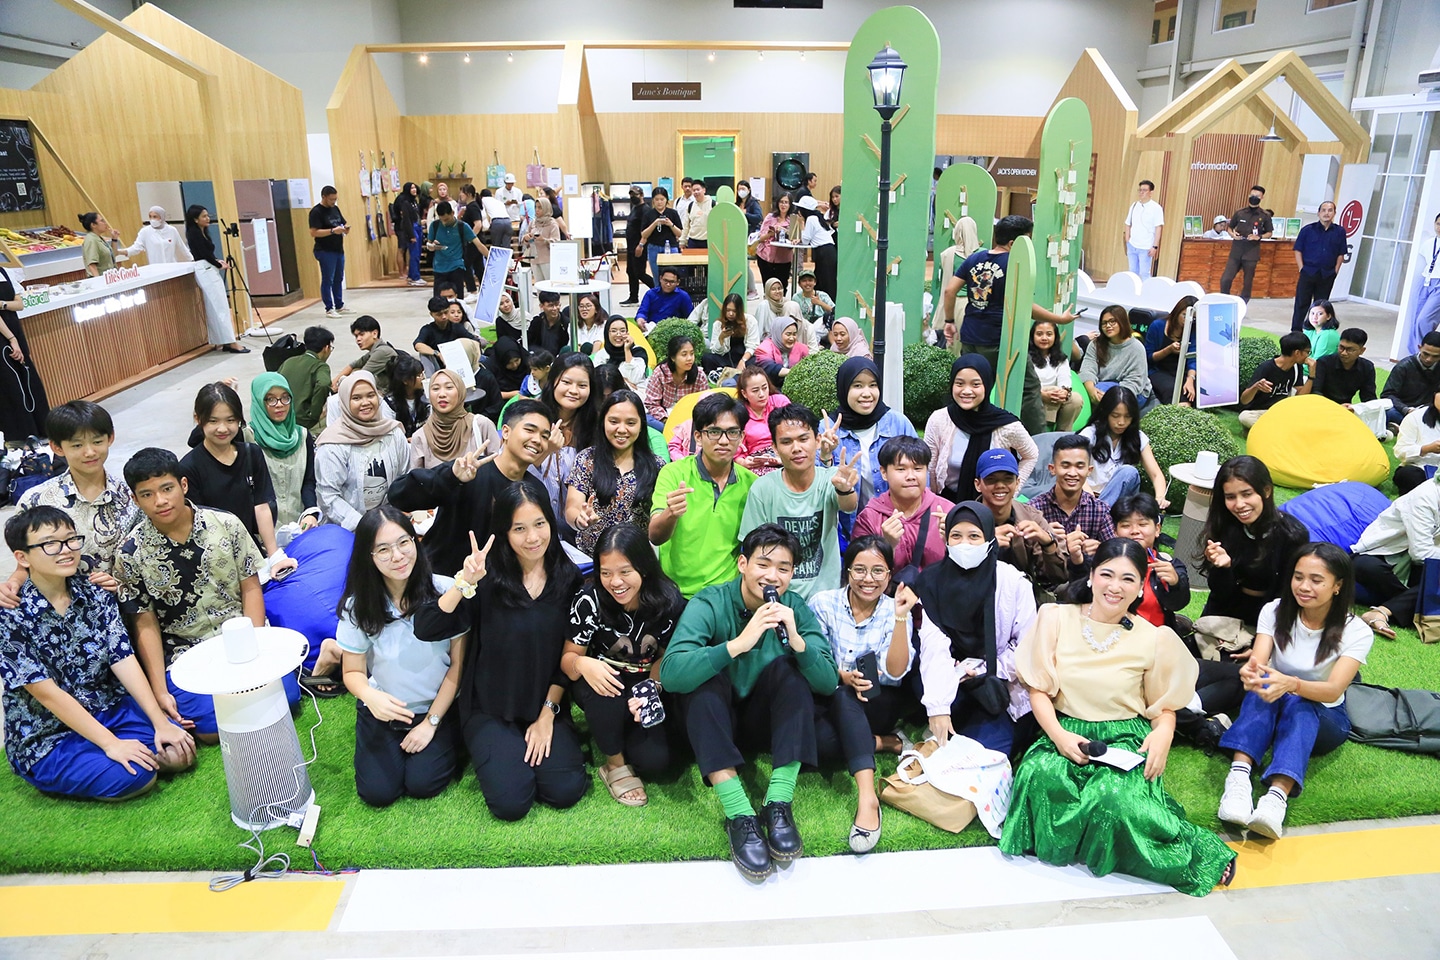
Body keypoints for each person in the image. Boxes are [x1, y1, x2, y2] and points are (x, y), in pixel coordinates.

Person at [999, 537, 1236, 896]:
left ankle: (1193, 848)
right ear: (1092, 577)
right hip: (1065, 728)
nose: (1115, 586)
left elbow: (1163, 706)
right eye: (1107, 574)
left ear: (1141, 586)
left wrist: (1164, 734)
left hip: (1125, 736)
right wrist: (1060, 738)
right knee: (1041, 776)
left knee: (1112, 799)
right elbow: (1038, 691)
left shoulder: (1155, 638)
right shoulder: (1055, 617)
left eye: (1128, 579)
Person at [660, 524, 839, 879]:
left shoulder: (793, 607)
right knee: (702, 679)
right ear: (742, 564)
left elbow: (828, 682)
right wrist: (737, 644)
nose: (772, 575)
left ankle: (778, 803)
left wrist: (798, 642)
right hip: (714, 720)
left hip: (760, 722)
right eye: (763, 564)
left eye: (784, 568)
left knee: (791, 671)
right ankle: (740, 813)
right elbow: (671, 674)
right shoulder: (710, 602)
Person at [1, 505, 196, 800]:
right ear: (22, 557)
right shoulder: (10, 615)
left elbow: (123, 658)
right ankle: (101, 756)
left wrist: (158, 722)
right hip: (49, 734)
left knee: (180, 752)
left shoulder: (95, 593)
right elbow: (46, 694)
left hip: (108, 708)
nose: (65, 550)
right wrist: (111, 744)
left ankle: (127, 749)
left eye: (70, 540)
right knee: (137, 776)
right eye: (50, 544)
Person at [424, 483, 588, 822]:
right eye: (519, 528)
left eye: (540, 524)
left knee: (565, 789)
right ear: (504, 531)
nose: (532, 538)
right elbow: (429, 628)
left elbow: (567, 655)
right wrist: (464, 582)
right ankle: (491, 747)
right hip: (489, 708)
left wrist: (547, 716)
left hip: (544, 705)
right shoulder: (485, 579)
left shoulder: (568, 577)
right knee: (512, 803)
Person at [117, 447, 301, 741]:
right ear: (134, 499)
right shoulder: (130, 553)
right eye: (147, 494)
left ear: (183, 485)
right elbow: (145, 623)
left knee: (288, 698)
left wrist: (255, 653)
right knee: (208, 725)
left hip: (240, 641)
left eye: (167, 488)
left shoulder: (225, 524)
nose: (160, 501)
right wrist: (159, 691)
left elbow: (250, 587)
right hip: (184, 655)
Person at [1217, 544, 1373, 840]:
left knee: (1299, 702)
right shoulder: (1274, 610)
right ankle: (1238, 780)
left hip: (1325, 717)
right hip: (1275, 699)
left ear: (1337, 586)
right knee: (1262, 691)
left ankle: (1276, 797)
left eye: (1316, 580)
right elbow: (1258, 662)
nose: (1304, 586)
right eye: (1298, 577)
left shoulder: (1357, 631)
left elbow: (1333, 690)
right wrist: (1251, 674)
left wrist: (1292, 684)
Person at [338, 506, 464, 807]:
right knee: (378, 793)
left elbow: (459, 665)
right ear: (368, 557)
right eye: (383, 549)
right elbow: (352, 672)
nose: (397, 556)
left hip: (437, 708)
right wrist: (371, 697)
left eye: (403, 542)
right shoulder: (358, 606)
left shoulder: (446, 591)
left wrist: (431, 722)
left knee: (423, 783)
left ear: (416, 541)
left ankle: (450, 738)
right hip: (383, 708)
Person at [563, 524, 686, 806]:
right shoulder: (589, 598)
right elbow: (568, 660)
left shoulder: (668, 599)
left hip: (644, 680)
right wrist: (584, 664)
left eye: (624, 572)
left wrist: (652, 686)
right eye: (605, 573)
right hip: (600, 678)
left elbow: (666, 656)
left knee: (656, 764)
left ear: (643, 567)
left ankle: (626, 733)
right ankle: (614, 762)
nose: (615, 582)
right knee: (607, 692)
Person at [810, 536, 918, 852]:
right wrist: (842, 676)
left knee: (847, 697)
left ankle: (868, 798)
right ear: (847, 571)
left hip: (878, 700)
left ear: (889, 575)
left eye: (877, 571)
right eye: (859, 570)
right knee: (817, 745)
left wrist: (900, 617)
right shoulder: (823, 604)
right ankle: (886, 742)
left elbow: (897, 672)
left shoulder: (893, 609)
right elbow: (814, 659)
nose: (867, 579)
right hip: (831, 695)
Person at [914, 504, 1037, 757]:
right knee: (927, 691)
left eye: (974, 536)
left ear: (989, 539)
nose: (964, 545)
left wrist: (982, 670)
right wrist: (939, 706)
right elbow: (933, 643)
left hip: (1001, 685)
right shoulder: (933, 580)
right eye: (956, 536)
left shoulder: (1013, 583)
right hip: (955, 677)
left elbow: (1027, 648)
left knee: (981, 754)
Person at [389, 399, 553, 575]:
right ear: (505, 431)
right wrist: (451, 476)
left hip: (497, 588)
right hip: (446, 582)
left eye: (544, 436)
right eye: (530, 430)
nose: (537, 440)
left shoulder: (535, 489)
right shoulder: (468, 473)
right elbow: (399, 496)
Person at [938, 215, 1068, 435]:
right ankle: (1036, 440)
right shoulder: (1014, 264)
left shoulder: (975, 259)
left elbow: (950, 291)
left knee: (971, 386)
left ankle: (963, 432)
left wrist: (949, 321)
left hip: (970, 336)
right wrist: (1060, 319)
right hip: (999, 340)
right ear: (1013, 244)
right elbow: (1025, 304)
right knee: (1028, 388)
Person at [1, 402, 137, 611]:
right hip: (64, 611)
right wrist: (12, 585)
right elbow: (26, 563)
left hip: (125, 606)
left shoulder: (130, 496)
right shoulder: (36, 500)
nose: (90, 452)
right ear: (57, 448)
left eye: (97, 441)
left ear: (110, 438)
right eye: (76, 445)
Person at [740, 403, 860, 602]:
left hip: (824, 598)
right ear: (775, 448)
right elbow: (753, 547)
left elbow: (848, 505)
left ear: (817, 440)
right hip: (777, 597)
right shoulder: (762, 489)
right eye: (786, 442)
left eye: (803, 439)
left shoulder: (830, 479)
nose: (797, 448)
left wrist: (845, 488)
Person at [650, 393, 759, 598]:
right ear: (698, 436)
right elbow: (655, 536)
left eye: (732, 432)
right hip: (677, 592)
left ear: (742, 437)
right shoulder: (674, 473)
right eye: (714, 432)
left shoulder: (751, 484)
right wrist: (671, 514)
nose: (724, 441)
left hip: (726, 594)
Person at [179, 383, 291, 572]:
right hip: (214, 559)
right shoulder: (188, 467)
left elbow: (261, 506)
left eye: (230, 420)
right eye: (213, 421)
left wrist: (274, 555)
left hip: (252, 550)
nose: (223, 428)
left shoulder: (251, 454)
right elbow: (197, 524)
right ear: (198, 419)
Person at [1198, 455, 1310, 628]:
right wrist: (1223, 568)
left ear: (1266, 491)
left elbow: (1289, 596)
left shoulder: (1292, 535)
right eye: (1230, 497)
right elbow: (1219, 594)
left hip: (1268, 620)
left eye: (1247, 494)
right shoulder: (1225, 525)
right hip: (1223, 616)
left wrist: (1263, 639)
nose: (1239, 504)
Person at [925, 354, 1038, 502]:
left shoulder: (1006, 425)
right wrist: (931, 500)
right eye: (959, 384)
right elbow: (929, 466)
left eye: (975, 384)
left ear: (987, 385)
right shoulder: (939, 419)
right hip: (947, 504)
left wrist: (1012, 492)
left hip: (992, 506)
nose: (966, 391)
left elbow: (1031, 455)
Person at [567, 389, 664, 555]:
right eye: (613, 421)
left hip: (636, 561)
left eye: (631, 423)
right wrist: (580, 519)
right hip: (592, 560)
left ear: (641, 425)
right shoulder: (586, 459)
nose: (621, 429)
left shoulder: (657, 466)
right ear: (603, 422)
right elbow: (572, 507)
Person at [818, 357, 916, 517]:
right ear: (844, 388)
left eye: (873, 385)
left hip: (895, 524)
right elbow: (816, 489)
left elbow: (920, 477)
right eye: (857, 385)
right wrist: (825, 456)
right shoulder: (827, 429)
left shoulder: (897, 423)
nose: (867, 393)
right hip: (845, 530)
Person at [314, 372, 409, 531]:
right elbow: (328, 497)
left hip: (388, 523)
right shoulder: (332, 444)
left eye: (370, 395)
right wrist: (367, 527)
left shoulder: (393, 433)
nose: (365, 402)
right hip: (346, 529)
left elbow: (404, 477)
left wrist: (392, 519)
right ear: (344, 402)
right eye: (356, 398)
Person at [1352, 476, 1440, 640]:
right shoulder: (1425, 497)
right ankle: (1416, 603)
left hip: (1421, 566)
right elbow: (1421, 553)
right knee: (1365, 566)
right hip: (1383, 555)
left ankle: (1382, 612)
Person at [970, 448, 1067, 590]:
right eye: (991, 479)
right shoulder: (965, 518)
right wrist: (985, 545)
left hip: (1020, 593)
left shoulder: (1032, 517)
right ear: (978, 484)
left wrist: (1047, 542)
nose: (1000, 485)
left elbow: (1060, 576)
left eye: (1008, 479)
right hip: (975, 592)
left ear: (1017, 483)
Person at [1031, 436, 1118, 577]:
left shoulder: (1100, 510)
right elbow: (1026, 561)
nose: (1072, 473)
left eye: (1079, 466)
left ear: (1089, 470)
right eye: (1065, 466)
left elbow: (1116, 556)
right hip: (1045, 586)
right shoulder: (1034, 510)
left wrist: (1100, 550)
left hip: (1087, 585)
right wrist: (1047, 538)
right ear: (1052, 469)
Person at [245, 375, 318, 529]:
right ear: (258, 402)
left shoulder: (302, 436)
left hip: (300, 527)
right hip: (263, 532)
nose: (279, 405)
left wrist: (310, 513)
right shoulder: (248, 437)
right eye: (270, 399)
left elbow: (308, 481)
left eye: (285, 398)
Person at [1079, 386, 1169, 508]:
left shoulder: (1138, 437)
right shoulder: (1089, 435)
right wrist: (1092, 501)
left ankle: (1100, 514)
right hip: (1088, 498)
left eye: (1127, 416)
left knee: (1129, 472)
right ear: (1105, 414)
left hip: (1121, 503)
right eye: (1115, 416)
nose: (1121, 422)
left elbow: (1156, 474)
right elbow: (1077, 473)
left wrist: (1160, 498)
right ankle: (1100, 513)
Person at [183, 206, 247, 354]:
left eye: (207, 215)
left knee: (220, 306)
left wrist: (217, 262)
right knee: (220, 307)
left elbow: (207, 254)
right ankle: (231, 342)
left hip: (209, 268)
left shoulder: (203, 232)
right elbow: (203, 254)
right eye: (204, 216)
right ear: (195, 219)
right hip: (205, 270)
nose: (207, 218)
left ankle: (224, 341)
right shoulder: (193, 234)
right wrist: (218, 264)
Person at [410, 369, 501, 470]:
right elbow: (416, 481)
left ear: (460, 391)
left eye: (449, 387)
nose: (442, 394)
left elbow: (500, 469)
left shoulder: (481, 426)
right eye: (435, 389)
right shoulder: (420, 437)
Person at [0, 264, 50, 441]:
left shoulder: (5, 272)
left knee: (27, 377)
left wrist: (2, 304)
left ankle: (40, 427)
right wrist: (11, 339)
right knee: (10, 384)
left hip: (14, 331)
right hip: (5, 336)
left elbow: (20, 304)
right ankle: (21, 435)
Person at [1290, 201, 1348, 332]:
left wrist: (1335, 271)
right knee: (1301, 303)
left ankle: (1316, 331)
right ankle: (1296, 332)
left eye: (1330, 210)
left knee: (1321, 307)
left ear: (1334, 213)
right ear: (1318, 213)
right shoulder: (1307, 230)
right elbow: (1298, 249)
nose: (1326, 213)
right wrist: (1301, 268)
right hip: (1308, 272)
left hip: (1327, 274)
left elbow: (1341, 253)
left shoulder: (1339, 232)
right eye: (1324, 210)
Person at [1079, 305, 1153, 407]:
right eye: (1104, 323)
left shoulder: (1136, 348)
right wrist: (1091, 390)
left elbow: (1134, 383)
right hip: (1101, 385)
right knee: (1083, 392)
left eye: (1112, 321)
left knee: (1101, 394)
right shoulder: (1096, 344)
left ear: (1122, 322)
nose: (1108, 326)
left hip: (1134, 392)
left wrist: (1111, 397)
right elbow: (1087, 369)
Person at [1239, 331, 1311, 431]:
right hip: (1259, 412)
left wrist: (1312, 376)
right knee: (1244, 417)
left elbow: (1300, 398)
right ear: (1297, 353)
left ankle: (1268, 429)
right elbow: (1244, 400)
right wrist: (1256, 386)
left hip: (1279, 411)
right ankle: (1277, 430)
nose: (1308, 356)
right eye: (1307, 352)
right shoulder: (1266, 368)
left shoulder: (1297, 368)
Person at [425, 200, 489, 298]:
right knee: (439, 302)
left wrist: (491, 258)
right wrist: (432, 246)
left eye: (446, 219)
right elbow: (429, 244)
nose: (444, 222)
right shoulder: (435, 225)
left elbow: (479, 245)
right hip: (439, 267)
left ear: (453, 213)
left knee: (458, 301)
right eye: (442, 219)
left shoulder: (462, 227)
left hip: (456, 266)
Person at [1220, 186, 1274, 302]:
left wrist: (1258, 237)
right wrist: (1232, 234)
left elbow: (1269, 233)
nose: (1254, 198)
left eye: (1257, 196)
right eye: (1252, 195)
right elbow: (1229, 227)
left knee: (1247, 282)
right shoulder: (1240, 213)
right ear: (1249, 195)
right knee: (1226, 279)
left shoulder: (1264, 216)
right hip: (1236, 251)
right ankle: (1224, 301)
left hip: (1251, 253)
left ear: (1262, 198)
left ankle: (1243, 304)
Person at [732, 364, 787, 474]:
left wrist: (781, 456)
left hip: (785, 454)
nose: (761, 394)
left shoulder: (780, 402)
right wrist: (744, 462)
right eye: (755, 390)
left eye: (764, 388)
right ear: (744, 393)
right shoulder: (739, 414)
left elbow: (795, 429)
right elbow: (736, 451)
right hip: (757, 463)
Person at [279, 326, 335, 433]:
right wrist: (315, 413)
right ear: (326, 348)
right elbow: (323, 384)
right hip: (304, 421)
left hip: (283, 416)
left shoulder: (289, 361)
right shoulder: (320, 366)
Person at [1382, 331, 1440, 435]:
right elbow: (1387, 394)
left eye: (1435, 356)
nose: (1428, 359)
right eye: (1425, 354)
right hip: (1404, 410)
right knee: (1387, 411)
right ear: (1419, 347)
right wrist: (1407, 410)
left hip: (1430, 411)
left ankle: (1405, 428)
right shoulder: (1404, 366)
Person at [933, 217, 982, 337]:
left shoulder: (947, 254)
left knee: (953, 342)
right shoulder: (982, 254)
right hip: (978, 304)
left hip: (955, 304)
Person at [1144, 296, 1198, 405]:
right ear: (1177, 312)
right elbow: (1148, 357)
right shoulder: (1157, 326)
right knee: (1172, 389)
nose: (1189, 320)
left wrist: (1190, 379)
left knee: (1194, 391)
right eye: (1185, 315)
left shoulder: (1193, 329)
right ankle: (1180, 411)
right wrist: (1169, 350)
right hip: (1159, 370)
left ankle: (1184, 409)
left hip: (1182, 371)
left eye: (1194, 318)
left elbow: (1193, 359)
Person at [308, 186, 351, 319]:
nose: (333, 202)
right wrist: (332, 231)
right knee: (328, 279)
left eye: (335, 199)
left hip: (338, 248)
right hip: (325, 250)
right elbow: (313, 232)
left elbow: (341, 223)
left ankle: (339, 304)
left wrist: (344, 229)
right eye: (331, 199)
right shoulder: (316, 212)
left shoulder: (335, 209)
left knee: (339, 278)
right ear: (324, 197)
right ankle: (329, 308)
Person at [644, 333, 704, 427]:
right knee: (646, 420)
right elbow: (651, 403)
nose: (689, 358)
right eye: (684, 354)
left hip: (688, 419)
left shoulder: (699, 375)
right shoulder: (660, 373)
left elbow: (705, 403)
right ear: (673, 357)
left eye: (692, 354)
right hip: (664, 417)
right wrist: (666, 420)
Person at [1031, 319, 1083, 429]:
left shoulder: (1061, 359)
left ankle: (1062, 434)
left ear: (1055, 337)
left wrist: (1064, 392)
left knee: (1075, 399)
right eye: (1039, 334)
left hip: (1054, 398)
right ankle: (1043, 430)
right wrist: (1041, 394)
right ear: (1032, 336)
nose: (1044, 338)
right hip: (1032, 397)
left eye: (1049, 334)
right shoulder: (1026, 357)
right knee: (1050, 390)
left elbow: (1065, 381)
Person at [1401, 212, 1440, 356]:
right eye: (1438, 224)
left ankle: (1429, 352)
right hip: (1425, 280)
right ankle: (1416, 354)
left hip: (1438, 285)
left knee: (1425, 320)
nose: (1439, 227)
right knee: (1415, 319)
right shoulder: (1429, 243)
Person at [1311, 327, 1376, 409]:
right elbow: (1316, 392)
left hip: (1347, 408)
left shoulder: (1367, 367)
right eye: (1341, 347)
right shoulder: (1324, 362)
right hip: (1322, 407)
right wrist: (1335, 407)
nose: (1344, 353)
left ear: (1362, 350)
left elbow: (1368, 397)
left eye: (1350, 350)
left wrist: (1358, 408)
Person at [637, 187, 684, 293]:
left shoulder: (673, 213)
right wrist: (655, 223)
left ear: (666, 200)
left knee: (672, 276)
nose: (659, 202)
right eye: (657, 199)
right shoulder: (648, 214)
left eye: (662, 199)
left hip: (671, 247)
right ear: (653, 200)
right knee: (657, 278)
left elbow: (679, 233)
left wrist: (670, 224)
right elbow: (644, 234)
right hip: (654, 248)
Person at [414, 295, 480, 364]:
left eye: (446, 312)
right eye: (439, 314)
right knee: (424, 355)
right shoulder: (427, 330)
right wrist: (437, 354)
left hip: (457, 360)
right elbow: (418, 345)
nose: (444, 317)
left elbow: (474, 341)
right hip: (436, 364)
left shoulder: (457, 327)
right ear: (431, 314)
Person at [756, 194, 803, 289]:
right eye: (781, 202)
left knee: (782, 286)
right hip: (766, 256)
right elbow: (760, 238)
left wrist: (784, 231)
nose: (783, 205)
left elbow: (796, 237)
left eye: (786, 202)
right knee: (768, 286)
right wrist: (770, 234)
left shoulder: (793, 219)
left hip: (784, 258)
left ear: (790, 205)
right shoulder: (770, 217)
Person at [704, 292, 758, 374]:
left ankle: (739, 374)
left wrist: (743, 360)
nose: (731, 314)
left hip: (744, 358)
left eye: (734, 311)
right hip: (726, 360)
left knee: (757, 361)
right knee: (707, 358)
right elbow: (715, 351)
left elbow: (752, 346)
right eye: (728, 310)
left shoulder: (750, 321)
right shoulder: (718, 324)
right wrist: (721, 338)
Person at [754, 311, 810, 389]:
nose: (792, 338)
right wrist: (796, 372)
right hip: (770, 388)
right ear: (778, 333)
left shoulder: (801, 348)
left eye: (794, 334)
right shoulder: (765, 348)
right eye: (788, 334)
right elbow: (769, 368)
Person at [619, 186, 653, 307]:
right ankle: (633, 297)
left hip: (639, 247)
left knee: (640, 273)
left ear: (642, 195)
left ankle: (658, 290)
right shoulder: (634, 208)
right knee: (630, 272)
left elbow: (645, 231)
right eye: (631, 195)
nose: (633, 197)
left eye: (636, 195)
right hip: (630, 246)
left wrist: (641, 245)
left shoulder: (645, 210)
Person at [1123, 179, 1165, 277]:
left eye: (1145, 190)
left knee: (1144, 273)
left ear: (1151, 192)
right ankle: (1134, 291)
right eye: (1140, 190)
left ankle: (1145, 291)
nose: (1141, 192)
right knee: (1132, 273)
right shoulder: (1134, 205)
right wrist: (1127, 240)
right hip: (1132, 245)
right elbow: (1127, 223)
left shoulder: (1156, 208)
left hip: (1146, 247)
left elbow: (1158, 228)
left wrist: (1155, 246)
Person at [797, 198, 837, 299]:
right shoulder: (817, 217)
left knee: (825, 282)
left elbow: (806, 239)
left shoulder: (811, 219)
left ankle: (828, 308)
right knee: (825, 280)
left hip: (824, 252)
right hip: (828, 251)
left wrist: (801, 224)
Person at [125, 206, 191, 265]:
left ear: (162, 217)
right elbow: (136, 248)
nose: (152, 219)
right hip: (156, 269)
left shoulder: (172, 230)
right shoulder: (145, 232)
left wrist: (192, 260)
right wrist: (121, 252)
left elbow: (182, 248)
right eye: (150, 216)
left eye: (155, 217)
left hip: (172, 267)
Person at [387, 355, 429, 438]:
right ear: (405, 380)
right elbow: (389, 433)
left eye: (423, 373)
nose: (423, 377)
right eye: (418, 375)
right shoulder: (389, 403)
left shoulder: (426, 397)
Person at [393, 181, 424, 286]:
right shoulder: (405, 203)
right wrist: (411, 235)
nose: (414, 190)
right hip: (412, 228)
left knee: (418, 253)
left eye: (415, 187)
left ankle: (411, 275)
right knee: (414, 254)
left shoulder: (414, 201)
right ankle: (415, 277)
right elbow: (406, 220)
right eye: (411, 188)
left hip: (418, 226)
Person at [78, 211, 123, 276]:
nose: (105, 223)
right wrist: (99, 282)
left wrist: (114, 239)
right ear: (93, 225)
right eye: (102, 221)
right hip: (102, 279)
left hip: (110, 277)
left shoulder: (98, 238)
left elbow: (113, 254)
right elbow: (92, 264)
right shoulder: (91, 240)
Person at [793, 268, 834, 336]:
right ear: (799, 284)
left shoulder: (823, 295)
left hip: (821, 327)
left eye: (810, 280)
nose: (807, 283)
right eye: (804, 281)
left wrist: (819, 303)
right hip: (803, 327)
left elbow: (833, 310)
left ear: (815, 282)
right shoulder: (796, 297)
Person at [680, 180, 711, 250]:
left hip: (708, 241)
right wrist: (682, 241)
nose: (696, 192)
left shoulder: (713, 204)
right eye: (694, 190)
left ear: (704, 190)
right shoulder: (690, 206)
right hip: (693, 241)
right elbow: (686, 226)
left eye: (698, 189)